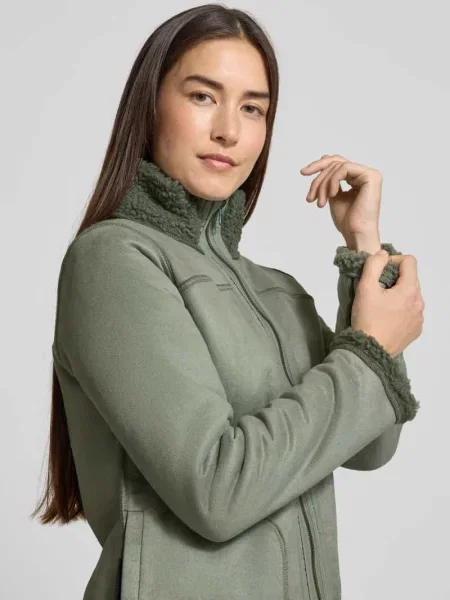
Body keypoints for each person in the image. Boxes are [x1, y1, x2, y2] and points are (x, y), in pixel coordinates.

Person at [31, 4, 424, 599]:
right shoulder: (113, 261)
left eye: (252, 108)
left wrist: (363, 248)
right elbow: (215, 492)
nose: (229, 132)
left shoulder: (276, 290)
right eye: (202, 96)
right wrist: (369, 351)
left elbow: (372, 443)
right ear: (149, 105)